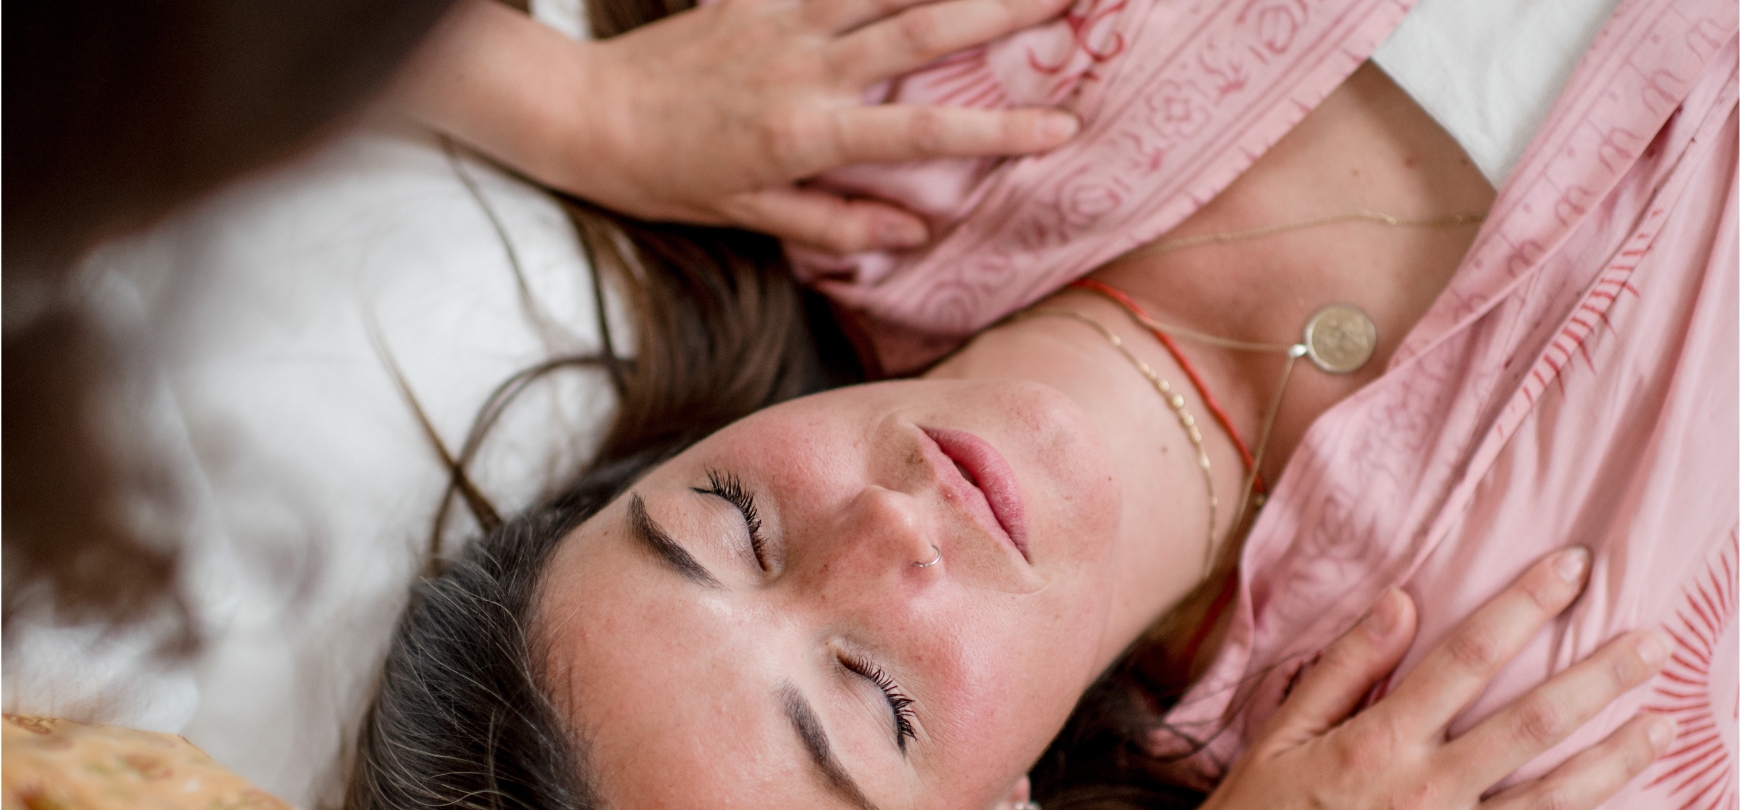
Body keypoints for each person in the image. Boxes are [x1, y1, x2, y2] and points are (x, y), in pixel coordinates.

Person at [348, 1, 1734, 808]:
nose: (884, 531)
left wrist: (576, 105)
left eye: (737, 519)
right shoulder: (1535, 722)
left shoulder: (861, 83)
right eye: (876, 697)